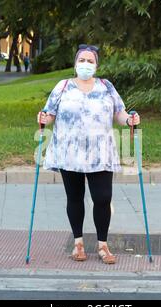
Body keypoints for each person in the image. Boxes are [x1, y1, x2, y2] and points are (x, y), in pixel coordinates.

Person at [37, 44, 141, 264]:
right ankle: (78, 244)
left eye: (90, 61)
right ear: (75, 64)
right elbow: (50, 114)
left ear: (96, 65)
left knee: (103, 198)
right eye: (82, 60)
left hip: (100, 152)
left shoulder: (106, 86)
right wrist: (45, 119)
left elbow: (119, 113)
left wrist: (130, 120)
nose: (86, 64)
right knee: (75, 198)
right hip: (69, 151)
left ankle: (103, 245)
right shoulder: (63, 86)